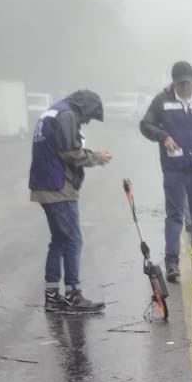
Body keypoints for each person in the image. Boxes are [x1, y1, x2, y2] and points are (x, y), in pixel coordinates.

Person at [140, 61, 192, 282]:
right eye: (180, 84)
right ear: (174, 83)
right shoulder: (162, 101)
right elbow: (145, 125)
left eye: (187, 83)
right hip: (174, 170)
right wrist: (163, 137)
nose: (184, 87)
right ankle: (172, 264)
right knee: (175, 217)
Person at [29, 88, 112, 313]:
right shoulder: (67, 115)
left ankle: (52, 295)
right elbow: (71, 153)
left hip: (43, 184)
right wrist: (96, 157)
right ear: (85, 107)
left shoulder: (53, 112)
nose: (86, 122)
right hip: (58, 187)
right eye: (88, 116)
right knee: (73, 240)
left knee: (59, 240)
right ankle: (73, 294)